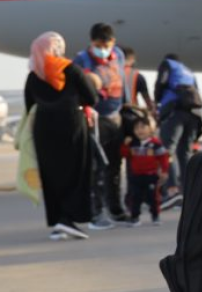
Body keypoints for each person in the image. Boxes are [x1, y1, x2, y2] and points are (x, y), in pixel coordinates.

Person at [25, 32, 98, 240]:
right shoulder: (72, 69)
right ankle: (69, 219)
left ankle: (59, 221)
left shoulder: (33, 75)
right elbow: (92, 97)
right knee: (76, 172)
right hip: (72, 124)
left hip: (43, 129)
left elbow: (30, 104)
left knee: (51, 175)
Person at [74, 22, 129, 229]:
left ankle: (115, 208)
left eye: (107, 44)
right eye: (99, 44)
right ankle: (96, 211)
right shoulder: (82, 59)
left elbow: (123, 82)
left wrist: (127, 108)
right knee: (96, 167)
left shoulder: (119, 55)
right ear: (92, 42)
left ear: (113, 42)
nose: (104, 49)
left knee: (115, 165)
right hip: (94, 118)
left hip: (115, 117)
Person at [155, 53, 202, 209]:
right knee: (186, 153)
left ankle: (172, 191)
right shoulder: (188, 71)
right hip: (193, 114)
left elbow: (161, 84)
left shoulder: (167, 64)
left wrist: (157, 102)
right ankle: (190, 192)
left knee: (168, 150)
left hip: (174, 111)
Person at [120, 117, 169, 227]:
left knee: (153, 197)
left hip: (151, 175)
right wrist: (125, 145)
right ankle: (135, 217)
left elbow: (163, 158)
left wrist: (165, 171)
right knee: (135, 197)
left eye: (142, 127)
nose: (139, 130)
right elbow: (124, 154)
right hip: (136, 176)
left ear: (150, 128)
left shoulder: (156, 143)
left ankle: (155, 216)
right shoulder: (133, 143)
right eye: (136, 128)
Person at [121, 46, 155, 115]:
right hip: (131, 113)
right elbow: (147, 100)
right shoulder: (138, 76)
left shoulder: (109, 73)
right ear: (132, 60)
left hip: (111, 113)